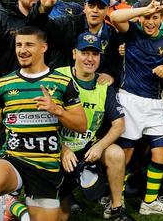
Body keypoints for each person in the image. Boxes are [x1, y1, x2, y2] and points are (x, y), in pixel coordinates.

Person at [0, 26, 86, 221]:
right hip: (14, 159)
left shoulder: (63, 83)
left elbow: (81, 125)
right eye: (19, 45)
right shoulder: (3, 84)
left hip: (46, 167)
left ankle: (12, 207)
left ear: (43, 47)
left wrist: (57, 110)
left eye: (29, 44)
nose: (22, 50)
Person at [110, 0, 163, 215]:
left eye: (155, 17)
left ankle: (149, 202)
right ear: (140, 17)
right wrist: (144, 9)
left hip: (156, 103)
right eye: (147, 17)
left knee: (162, 149)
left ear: (161, 19)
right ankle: (115, 201)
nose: (150, 22)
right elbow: (114, 16)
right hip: (130, 99)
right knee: (126, 154)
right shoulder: (132, 32)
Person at [57, 33, 129, 221]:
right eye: (85, 53)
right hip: (56, 148)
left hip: (87, 148)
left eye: (95, 54)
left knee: (115, 153)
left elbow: (119, 124)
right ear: (74, 53)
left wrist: (100, 146)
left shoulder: (104, 85)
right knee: (58, 215)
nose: (90, 59)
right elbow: (43, 123)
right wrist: (63, 150)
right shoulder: (58, 77)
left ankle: (116, 209)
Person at [28, 0, 122, 84]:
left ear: (107, 9)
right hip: (61, 84)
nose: (95, 10)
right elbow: (40, 28)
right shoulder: (68, 23)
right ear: (85, 7)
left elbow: (115, 63)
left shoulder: (111, 33)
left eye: (101, 7)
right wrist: (43, 9)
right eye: (91, 5)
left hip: (92, 87)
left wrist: (110, 74)